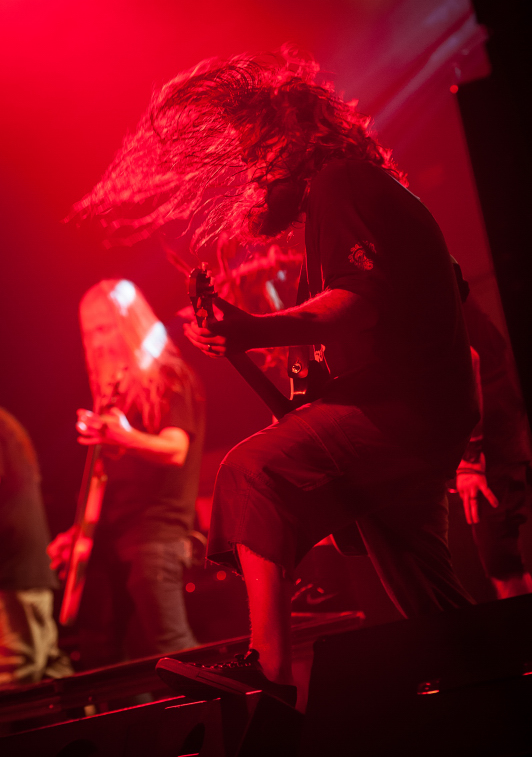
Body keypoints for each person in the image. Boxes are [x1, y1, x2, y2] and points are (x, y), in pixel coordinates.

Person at [67, 48, 479, 703]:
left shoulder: (341, 183)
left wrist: (250, 327)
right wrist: (250, 346)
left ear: (294, 142)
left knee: (251, 470)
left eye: (259, 150)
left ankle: (269, 668)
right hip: (425, 419)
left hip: (400, 416)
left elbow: (354, 306)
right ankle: (489, 692)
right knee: (426, 585)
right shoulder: (366, 194)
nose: (252, 169)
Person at [48, 280, 204, 667]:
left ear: (130, 326)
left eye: (106, 328)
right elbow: (113, 488)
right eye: (89, 333)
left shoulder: (170, 377)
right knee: (123, 666)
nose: (97, 342)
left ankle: (227, 717)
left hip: (156, 540)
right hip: (118, 546)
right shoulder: (116, 396)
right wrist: (77, 536)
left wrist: (125, 435)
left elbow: (175, 449)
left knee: (176, 651)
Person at [454, 295, 532, 600]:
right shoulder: (449, 286)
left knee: (504, 569)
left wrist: (471, 458)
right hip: (503, 440)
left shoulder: (420, 288)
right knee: (506, 566)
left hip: (491, 454)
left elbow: (467, 361)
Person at [0, 406, 72, 686]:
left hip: (14, 572)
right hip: (28, 568)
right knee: (49, 668)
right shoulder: (8, 425)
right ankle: (85, 724)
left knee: (15, 675)